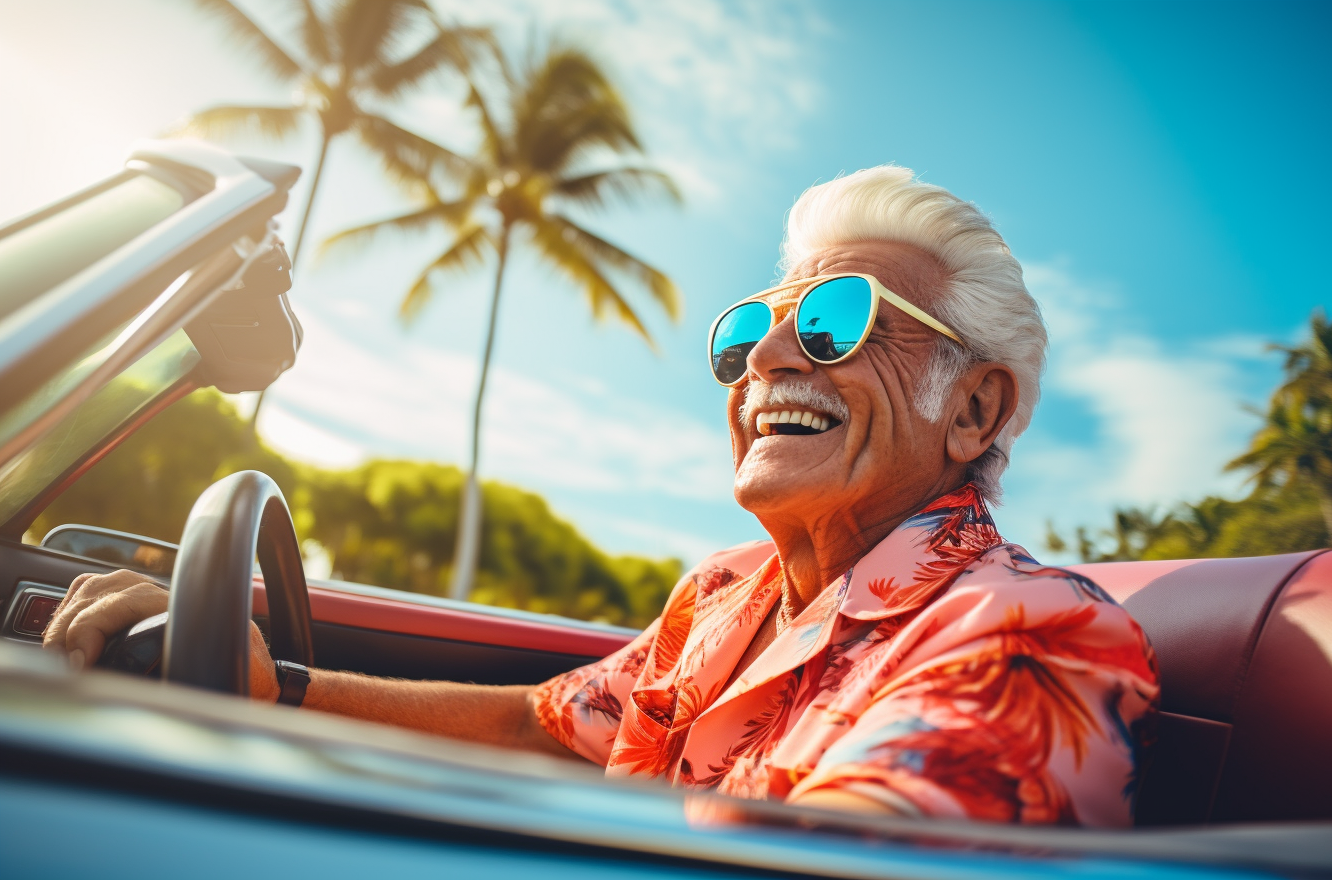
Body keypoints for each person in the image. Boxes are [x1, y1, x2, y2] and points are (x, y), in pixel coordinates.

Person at [43, 166, 1158, 827]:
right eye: (750, 327)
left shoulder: (1025, 636)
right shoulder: (725, 592)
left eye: (834, 320)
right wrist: (276, 686)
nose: (768, 351)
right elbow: (551, 729)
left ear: (972, 410)